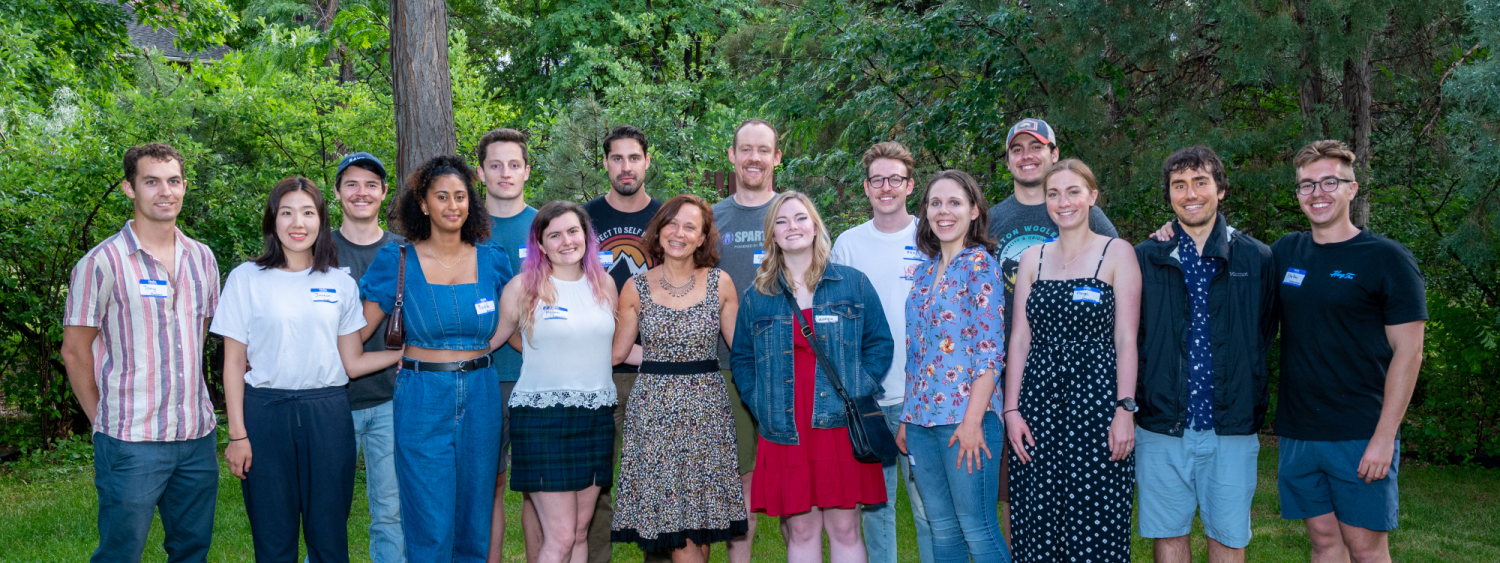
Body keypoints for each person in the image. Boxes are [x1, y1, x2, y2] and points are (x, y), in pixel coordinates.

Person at [214, 177, 404, 563]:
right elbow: (232, 363)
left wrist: (405, 354)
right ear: (272, 220)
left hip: (329, 414)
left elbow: (352, 362)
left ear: (320, 220)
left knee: (329, 535)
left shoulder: (339, 283)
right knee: (272, 535)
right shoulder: (245, 279)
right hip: (264, 414)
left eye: (307, 212)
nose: (297, 223)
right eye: (287, 212)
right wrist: (237, 436)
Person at [62, 143, 221, 563]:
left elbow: (201, 334)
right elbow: (75, 352)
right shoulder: (101, 263)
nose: (164, 191)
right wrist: (102, 422)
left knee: (192, 551)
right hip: (131, 440)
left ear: (185, 187)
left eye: (173, 181)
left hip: (196, 436)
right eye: (151, 181)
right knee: (120, 553)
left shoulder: (203, 259)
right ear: (130, 189)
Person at [1271, 140, 1425, 563]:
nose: (1317, 193)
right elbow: (1232, 260)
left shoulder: (1387, 259)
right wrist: (1175, 230)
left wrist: (1384, 437)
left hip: (1359, 431)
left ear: (1352, 189)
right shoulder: (1287, 252)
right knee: (1323, 543)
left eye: (1329, 182)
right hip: (1299, 431)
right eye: (1307, 185)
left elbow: (1409, 354)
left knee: (1366, 549)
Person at [359, 155, 513, 563]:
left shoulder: (493, 258)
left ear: (471, 203)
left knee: (475, 515)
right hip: (424, 394)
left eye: (460, 196)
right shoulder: (398, 260)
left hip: (481, 393)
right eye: (441, 196)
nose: (452, 205)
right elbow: (355, 331)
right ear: (423, 204)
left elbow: (517, 320)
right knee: (429, 517)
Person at [730, 191, 891, 563]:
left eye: (801, 218)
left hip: (839, 422)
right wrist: (760, 403)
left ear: (815, 227)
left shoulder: (852, 283)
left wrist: (856, 392)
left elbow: (879, 344)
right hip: (786, 425)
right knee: (801, 530)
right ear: (772, 234)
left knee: (845, 527)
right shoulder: (758, 295)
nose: (793, 227)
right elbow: (742, 358)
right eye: (782, 221)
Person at [1133, 147, 1275, 563]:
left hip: (1230, 426)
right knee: (1168, 536)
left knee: (1229, 538)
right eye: (1179, 185)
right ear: (1169, 195)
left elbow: (1263, 333)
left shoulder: (1257, 258)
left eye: (1200, 182)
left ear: (1221, 190)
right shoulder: (1144, 258)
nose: (1190, 193)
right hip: (1161, 424)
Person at [985, 119, 1119, 536]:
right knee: (1017, 491)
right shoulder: (991, 220)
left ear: (1054, 153)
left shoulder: (1089, 215)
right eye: (1017, 149)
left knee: (1082, 493)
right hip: (1010, 375)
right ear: (1007, 161)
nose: (1027, 155)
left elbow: (1118, 279)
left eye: (1036, 147)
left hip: (1084, 382)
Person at [1004, 159, 1140, 563]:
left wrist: (1125, 409)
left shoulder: (1117, 253)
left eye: (1073, 192)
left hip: (1097, 405)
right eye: (1053, 193)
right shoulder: (1032, 258)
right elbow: (1019, 339)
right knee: (1037, 519)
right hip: (1038, 406)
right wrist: (1011, 409)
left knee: (1096, 520)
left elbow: (1127, 339)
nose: (1063, 202)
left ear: (1092, 197)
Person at [609, 194, 747, 562]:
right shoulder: (634, 287)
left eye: (690, 227)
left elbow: (741, 347)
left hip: (707, 411)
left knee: (700, 523)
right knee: (677, 530)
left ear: (703, 238)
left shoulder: (721, 283)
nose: (679, 233)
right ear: (658, 231)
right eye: (671, 224)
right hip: (654, 414)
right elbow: (617, 353)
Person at [491, 201, 620, 563]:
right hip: (542, 419)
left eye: (573, 231)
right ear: (541, 244)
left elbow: (614, 347)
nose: (566, 241)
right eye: (555, 235)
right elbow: (497, 338)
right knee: (561, 536)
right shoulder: (523, 287)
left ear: (586, 235)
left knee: (579, 532)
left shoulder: (604, 284)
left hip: (595, 416)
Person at [898, 170, 1011, 563]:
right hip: (920, 422)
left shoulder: (980, 266)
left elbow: (989, 353)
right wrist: (906, 419)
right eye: (935, 203)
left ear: (974, 210)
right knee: (942, 529)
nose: (943, 211)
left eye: (955, 202)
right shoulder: (925, 270)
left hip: (965, 419)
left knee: (977, 529)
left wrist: (972, 423)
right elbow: (919, 351)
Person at [830, 142, 935, 563]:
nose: (886, 187)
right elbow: (835, 322)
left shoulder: (931, 236)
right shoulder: (848, 245)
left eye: (895, 179)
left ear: (910, 185)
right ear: (866, 187)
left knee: (930, 509)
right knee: (876, 507)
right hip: (869, 397)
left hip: (923, 396)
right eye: (878, 179)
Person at [580, 125, 665, 563]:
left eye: (634, 158)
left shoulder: (668, 217)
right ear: (607, 163)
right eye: (617, 158)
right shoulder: (583, 220)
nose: (626, 167)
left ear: (647, 161)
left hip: (656, 372)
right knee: (596, 483)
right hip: (596, 370)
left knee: (657, 482)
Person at [330, 152, 409, 563]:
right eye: (352, 184)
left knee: (391, 511)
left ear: (384, 194)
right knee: (328, 511)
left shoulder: (405, 251)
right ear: (338, 192)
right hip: (330, 400)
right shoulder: (317, 247)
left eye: (371, 185)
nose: (361, 193)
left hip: (392, 398)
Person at [712, 118, 783, 562]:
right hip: (725, 366)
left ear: (776, 157)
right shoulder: (712, 218)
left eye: (763, 150)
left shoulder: (792, 214)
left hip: (787, 367)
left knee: (797, 487)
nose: (754, 158)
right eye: (746, 150)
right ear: (733, 156)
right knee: (738, 485)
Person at [475, 128, 540, 563]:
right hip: (485, 375)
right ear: (480, 172)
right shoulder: (463, 225)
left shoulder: (546, 226)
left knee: (541, 487)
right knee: (490, 483)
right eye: (495, 165)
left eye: (513, 164)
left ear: (526, 171)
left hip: (541, 375)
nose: (504, 173)